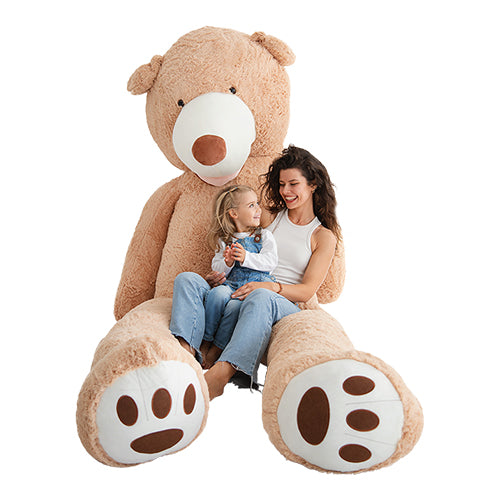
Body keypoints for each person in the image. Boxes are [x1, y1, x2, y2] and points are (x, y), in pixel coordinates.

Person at [170, 145, 341, 400]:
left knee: (260, 297)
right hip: (238, 286)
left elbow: (306, 291)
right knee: (187, 279)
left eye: (293, 184)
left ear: (313, 184)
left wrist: (269, 287)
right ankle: (185, 351)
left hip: (279, 300)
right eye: (282, 184)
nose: (285, 191)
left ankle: (222, 373)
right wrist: (218, 273)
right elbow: (236, 223)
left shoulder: (322, 236)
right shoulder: (270, 217)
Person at [200, 185, 278, 369]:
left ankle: (217, 348)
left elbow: (271, 262)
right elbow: (216, 266)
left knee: (234, 307)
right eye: (251, 205)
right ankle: (205, 339)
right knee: (216, 294)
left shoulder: (263, 236)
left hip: (255, 287)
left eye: (257, 203)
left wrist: (246, 257)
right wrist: (227, 264)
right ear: (234, 213)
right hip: (232, 284)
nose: (258, 209)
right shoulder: (225, 240)